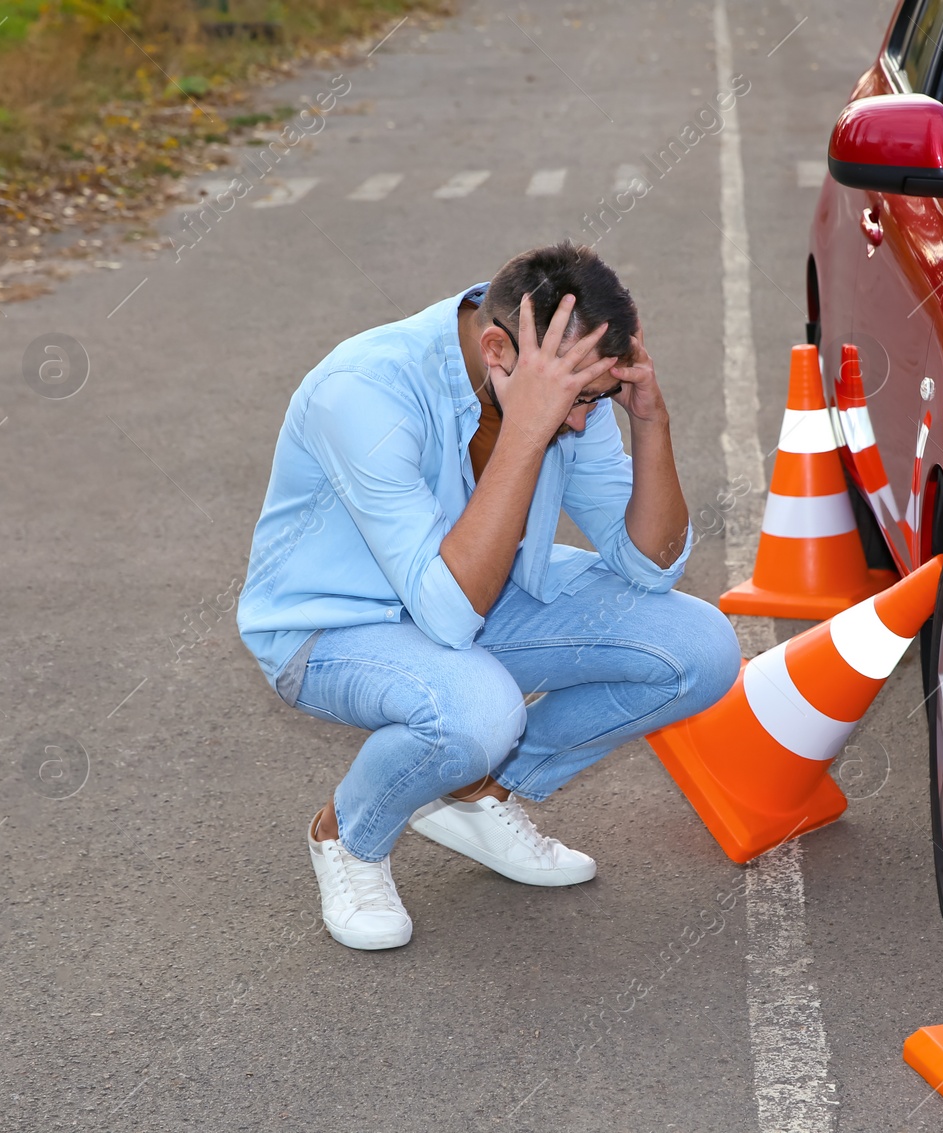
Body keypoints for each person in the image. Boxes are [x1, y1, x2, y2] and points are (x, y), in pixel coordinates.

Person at [237, 241, 740, 950]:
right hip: (331, 629)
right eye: (575, 402)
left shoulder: (567, 392)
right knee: (475, 710)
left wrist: (651, 422)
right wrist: (526, 431)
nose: (579, 421)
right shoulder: (362, 389)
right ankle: (349, 835)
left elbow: (650, 566)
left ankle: (476, 791)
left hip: (477, 603)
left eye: (594, 399)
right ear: (497, 348)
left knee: (702, 648)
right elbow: (445, 608)